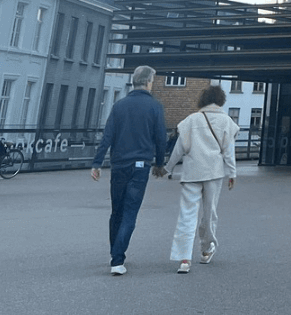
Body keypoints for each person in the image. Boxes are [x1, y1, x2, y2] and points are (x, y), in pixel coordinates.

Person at [91, 65, 168, 275]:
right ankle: (118, 258)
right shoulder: (155, 107)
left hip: (119, 165)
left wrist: (97, 163)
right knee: (130, 212)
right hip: (140, 166)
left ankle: (114, 252)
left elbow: (108, 135)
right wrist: (160, 164)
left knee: (116, 211)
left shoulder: (119, 105)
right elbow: (161, 138)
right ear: (149, 82)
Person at [165, 84, 240, 273]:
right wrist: (232, 173)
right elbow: (229, 152)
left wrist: (167, 168)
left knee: (187, 214)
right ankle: (206, 250)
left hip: (191, 172)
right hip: (214, 172)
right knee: (209, 213)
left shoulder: (191, 120)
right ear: (221, 100)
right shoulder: (226, 122)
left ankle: (184, 258)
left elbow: (179, 148)